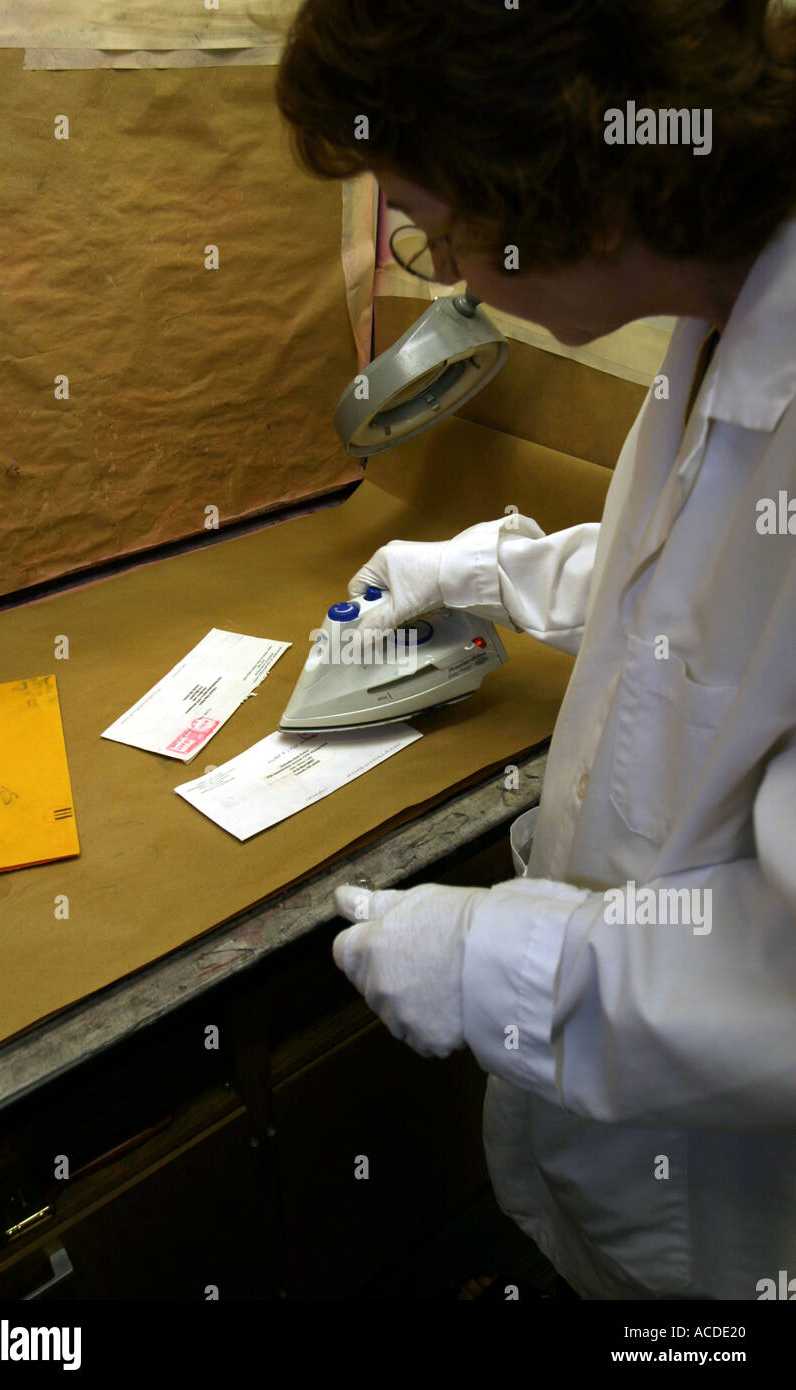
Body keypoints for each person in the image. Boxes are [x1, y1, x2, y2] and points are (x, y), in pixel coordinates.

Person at [273, 0, 796, 1299]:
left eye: (438, 228)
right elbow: (701, 602)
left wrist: (493, 967)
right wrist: (493, 572)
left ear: (569, 185)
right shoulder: (726, 306)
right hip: (622, 1171)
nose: (444, 274)